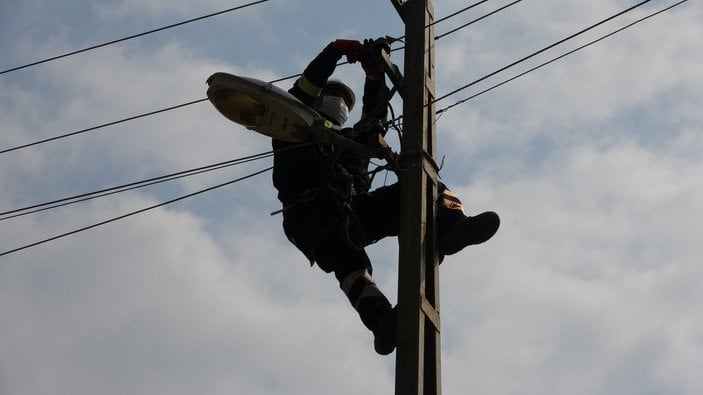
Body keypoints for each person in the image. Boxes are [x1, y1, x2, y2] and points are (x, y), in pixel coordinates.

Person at [271, 39, 500, 355]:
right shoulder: (291, 127)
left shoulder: (351, 143)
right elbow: (305, 88)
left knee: (425, 185)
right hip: (310, 216)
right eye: (333, 96)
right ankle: (383, 318)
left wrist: (374, 76)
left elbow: (373, 121)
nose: (338, 103)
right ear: (318, 100)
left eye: (344, 101)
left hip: (349, 215)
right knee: (350, 266)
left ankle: (451, 230)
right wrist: (335, 51)